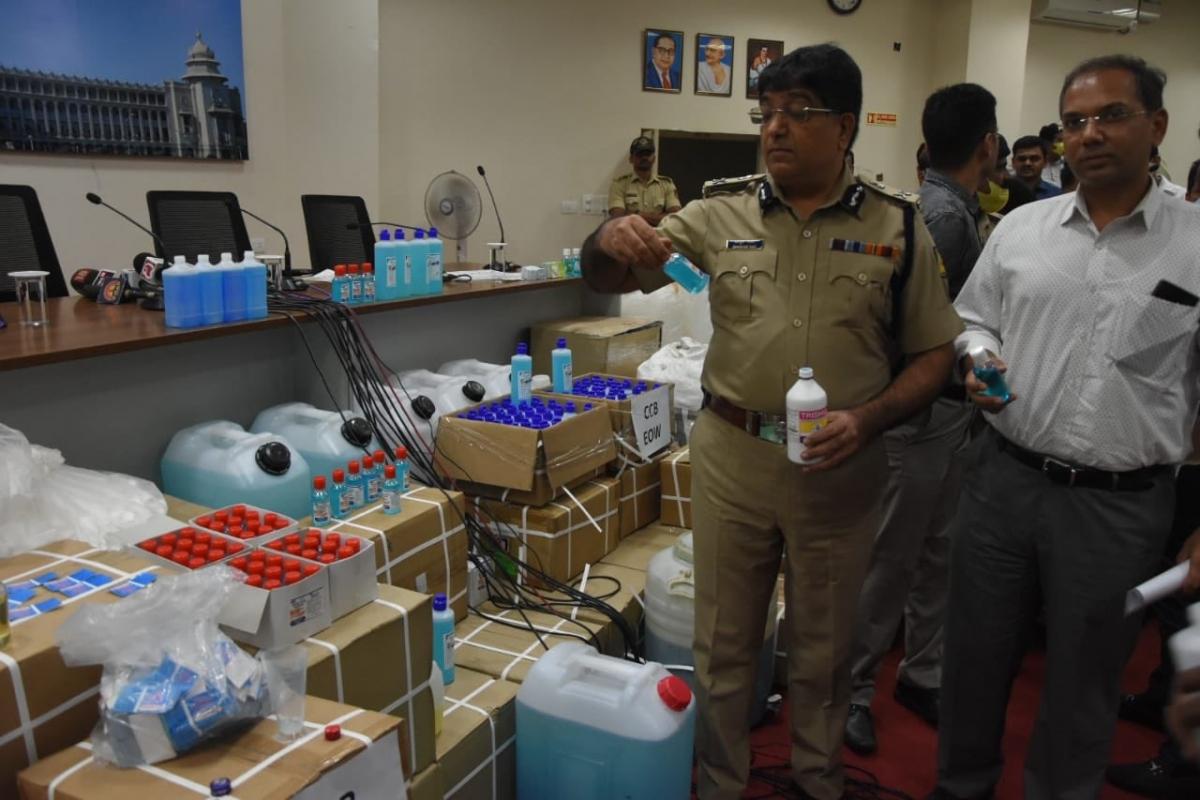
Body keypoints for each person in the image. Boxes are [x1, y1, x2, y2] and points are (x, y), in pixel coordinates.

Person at [581, 43, 962, 800]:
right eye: (768, 113)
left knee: (823, 651)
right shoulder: (716, 211)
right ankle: (721, 783)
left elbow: (934, 355)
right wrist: (607, 240)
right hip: (731, 460)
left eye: (798, 112)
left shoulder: (899, 228)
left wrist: (871, 419)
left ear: (846, 126)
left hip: (839, 466)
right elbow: (609, 274)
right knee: (722, 644)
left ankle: (819, 782)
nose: (775, 129)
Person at [933, 54, 1200, 800]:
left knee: (1086, 681)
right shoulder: (1022, 229)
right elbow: (974, 316)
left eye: (1112, 115)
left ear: (1157, 126)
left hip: (1121, 505)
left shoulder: (1196, 243)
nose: (1090, 134)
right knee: (975, 661)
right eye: (1075, 121)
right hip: (1002, 483)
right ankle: (961, 788)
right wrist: (978, 355)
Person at [844, 83, 996, 758]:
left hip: (948, 417)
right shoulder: (941, 216)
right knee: (890, 561)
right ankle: (848, 692)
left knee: (938, 554)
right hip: (916, 418)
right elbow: (899, 327)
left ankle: (921, 672)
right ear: (988, 145)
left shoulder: (949, 208)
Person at [607, 136, 681, 224]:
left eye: (648, 154)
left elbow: (675, 218)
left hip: (658, 236)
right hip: (630, 236)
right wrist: (658, 217)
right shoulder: (619, 184)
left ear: (654, 158)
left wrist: (638, 215)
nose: (644, 157)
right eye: (640, 154)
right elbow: (617, 218)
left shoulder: (667, 184)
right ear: (631, 159)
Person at [984, 134, 1036, 215]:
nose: (1002, 177)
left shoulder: (1021, 195)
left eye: (1003, 167)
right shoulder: (960, 200)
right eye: (995, 169)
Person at [1011, 134, 1062, 199]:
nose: (1027, 163)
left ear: (1045, 162)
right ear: (1013, 162)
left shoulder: (1056, 196)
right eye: (1022, 159)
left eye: (1034, 158)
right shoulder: (1002, 195)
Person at [1040, 122, 1065, 187]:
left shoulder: (1068, 166)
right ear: (1046, 143)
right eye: (1060, 140)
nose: (1064, 144)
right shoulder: (1037, 165)